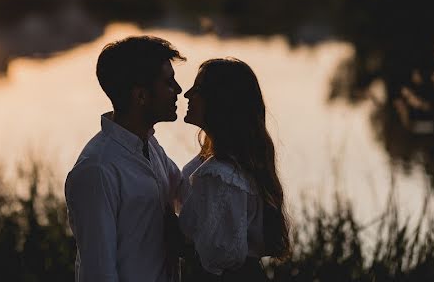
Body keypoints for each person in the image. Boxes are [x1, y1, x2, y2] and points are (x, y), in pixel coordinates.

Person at [65, 35, 187, 282]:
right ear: (140, 96)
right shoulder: (97, 170)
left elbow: (189, 191)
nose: (179, 90)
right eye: (168, 82)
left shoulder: (149, 145)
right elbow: (99, 271)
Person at [179, 58, 290, 281]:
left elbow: (217, 255)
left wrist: (169, 230)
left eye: (198, 89)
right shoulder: (227, 162)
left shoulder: (222, 174)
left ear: (220, 101)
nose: (187, 94)